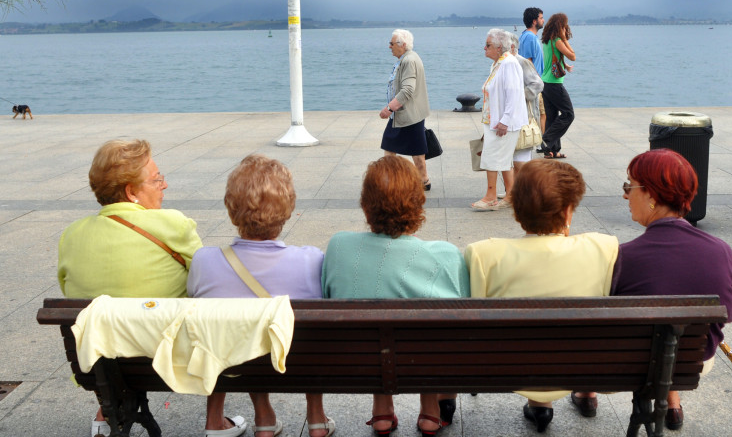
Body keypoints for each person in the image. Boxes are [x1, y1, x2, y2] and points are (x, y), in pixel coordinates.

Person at [57, 139, 203, 437]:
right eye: (156, 179)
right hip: (167, 359)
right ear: (131, 192)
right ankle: (216, 420)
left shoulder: (71, 235)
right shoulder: (173, 224)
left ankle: (107, 406)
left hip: (100, 365)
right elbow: (206, 282)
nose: (164, 185)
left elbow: (71, 292)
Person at [465, 159, 618, 433]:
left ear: (516, 210)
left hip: (509, 369)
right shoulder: (603, 247)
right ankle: (582, 394)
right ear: (568, 210)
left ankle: (539, 404)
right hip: (579, 366)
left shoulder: (483, 254)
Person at [322, 156, 469, 437]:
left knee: (377, 339)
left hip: (356, 363)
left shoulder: (339, 246)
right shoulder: (445, 255)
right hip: (424, 361)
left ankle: (381, 408)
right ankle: (430, 408)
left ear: (366, 204)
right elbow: (461, 320)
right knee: (432, 334)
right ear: (417, 203)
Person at [188, 155, 333, 437]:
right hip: (295, 364)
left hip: (236, 366)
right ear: (287, 205)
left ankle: (264, 416)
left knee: (245, 331)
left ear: (231, 207)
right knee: (302, 336)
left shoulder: (204, 261)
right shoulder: (311, 261)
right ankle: (316, 417)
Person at [613, 149, 732, 431]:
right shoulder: (721, 251)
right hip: (692, 363)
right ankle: (671, 398)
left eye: (629, 187)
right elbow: (729, 313)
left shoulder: (622, 256)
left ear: (652, 196)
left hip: (630, 365)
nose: (625, 195)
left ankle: (586, 393)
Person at [471, 29, 528, 211]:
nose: (484, 48)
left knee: (492, 158)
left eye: (487, 45)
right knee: (502, 159)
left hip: (502, 122)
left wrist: (505, 120)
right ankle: (511, 194)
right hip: (494, 120)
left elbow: (514, 94)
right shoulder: (499, 63)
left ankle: (491, 197)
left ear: (498, 47)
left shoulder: (509, 64)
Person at [379, 29, 432, 190]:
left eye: (392, 43)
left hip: (406, 113)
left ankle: (393, 181)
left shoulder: (409, 61)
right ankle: (422, 180)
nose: (389, 46)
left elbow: (408, 90)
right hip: (409, 113)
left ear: (402, 45)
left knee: (394, 146)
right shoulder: (409, 58)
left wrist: (389, 108)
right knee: (411, 149)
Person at [540, 12, 577, 159]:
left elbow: (551, 59)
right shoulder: (557, 40)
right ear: (560, 26)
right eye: (565, 24)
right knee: (568, 114)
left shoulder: (546, 40)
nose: (566, 27)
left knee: (552, 117)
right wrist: (564, 38)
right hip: (555, 84)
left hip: (546, 82)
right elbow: (573, 55)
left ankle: (552, 151)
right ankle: (546, 140)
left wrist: (564, 65)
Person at [510, 33, 543, 172]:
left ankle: (521, 190)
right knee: (512, 158)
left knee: (522, 155)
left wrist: (518, 96)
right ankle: (511, 191)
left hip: (525, 116)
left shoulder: (522, 62)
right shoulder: (504, 63)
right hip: (512, 116)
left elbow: (537, 84)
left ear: (511, 47)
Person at [519, 7, 547, 133]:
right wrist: (536, 82)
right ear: (534, 21)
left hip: (536, 82)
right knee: (541, 114)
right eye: (541, 18)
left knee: (542, 113)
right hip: (534, 83)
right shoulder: (529, 37)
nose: (543, 20)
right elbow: (528, 62)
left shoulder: (530, 36)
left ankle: (542, 143)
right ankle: (542, 144)